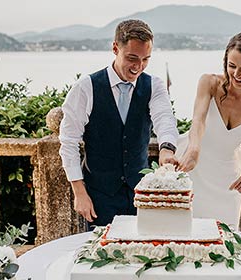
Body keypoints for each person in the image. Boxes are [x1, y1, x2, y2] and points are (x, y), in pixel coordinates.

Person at [59, 19, 179, 227]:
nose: (138, 67)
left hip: (141, 195)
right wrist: (80, 192)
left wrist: (167, 149)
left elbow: (164, 118)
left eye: (145, 59)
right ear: (115, 48)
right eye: (132, 58)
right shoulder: (86, 87)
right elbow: (68, 142)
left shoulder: (154, 86)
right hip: (99, 198)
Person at [177, 31, 241, 230]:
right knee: (186, 237)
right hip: (193, 170)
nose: (237, 75)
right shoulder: (209, 83)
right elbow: (198, 120)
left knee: (224, 241)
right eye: (232, 66)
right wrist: (194, 149)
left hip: (228, 182)